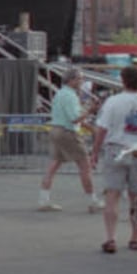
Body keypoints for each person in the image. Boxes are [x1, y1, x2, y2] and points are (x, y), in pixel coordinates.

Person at [91, 66, 137, 254]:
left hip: (115, 149)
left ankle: (110, 237)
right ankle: (135, 237)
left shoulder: (112, 102)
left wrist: (95, 152)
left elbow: (102, 129)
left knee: (112, 195)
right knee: (136, 197)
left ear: (123, 81)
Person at [38, 69, 99, 213]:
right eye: (80, 79)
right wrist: (90, 110)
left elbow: (69, 116)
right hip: (68, 132)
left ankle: (43, 199)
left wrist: (90, 127)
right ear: (71, 80)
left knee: (53, 165)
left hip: (56, 129)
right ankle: (92, 201)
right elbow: (74, 118)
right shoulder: (70, 96)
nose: (82, 82)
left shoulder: (60, 94)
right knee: (85, 166)